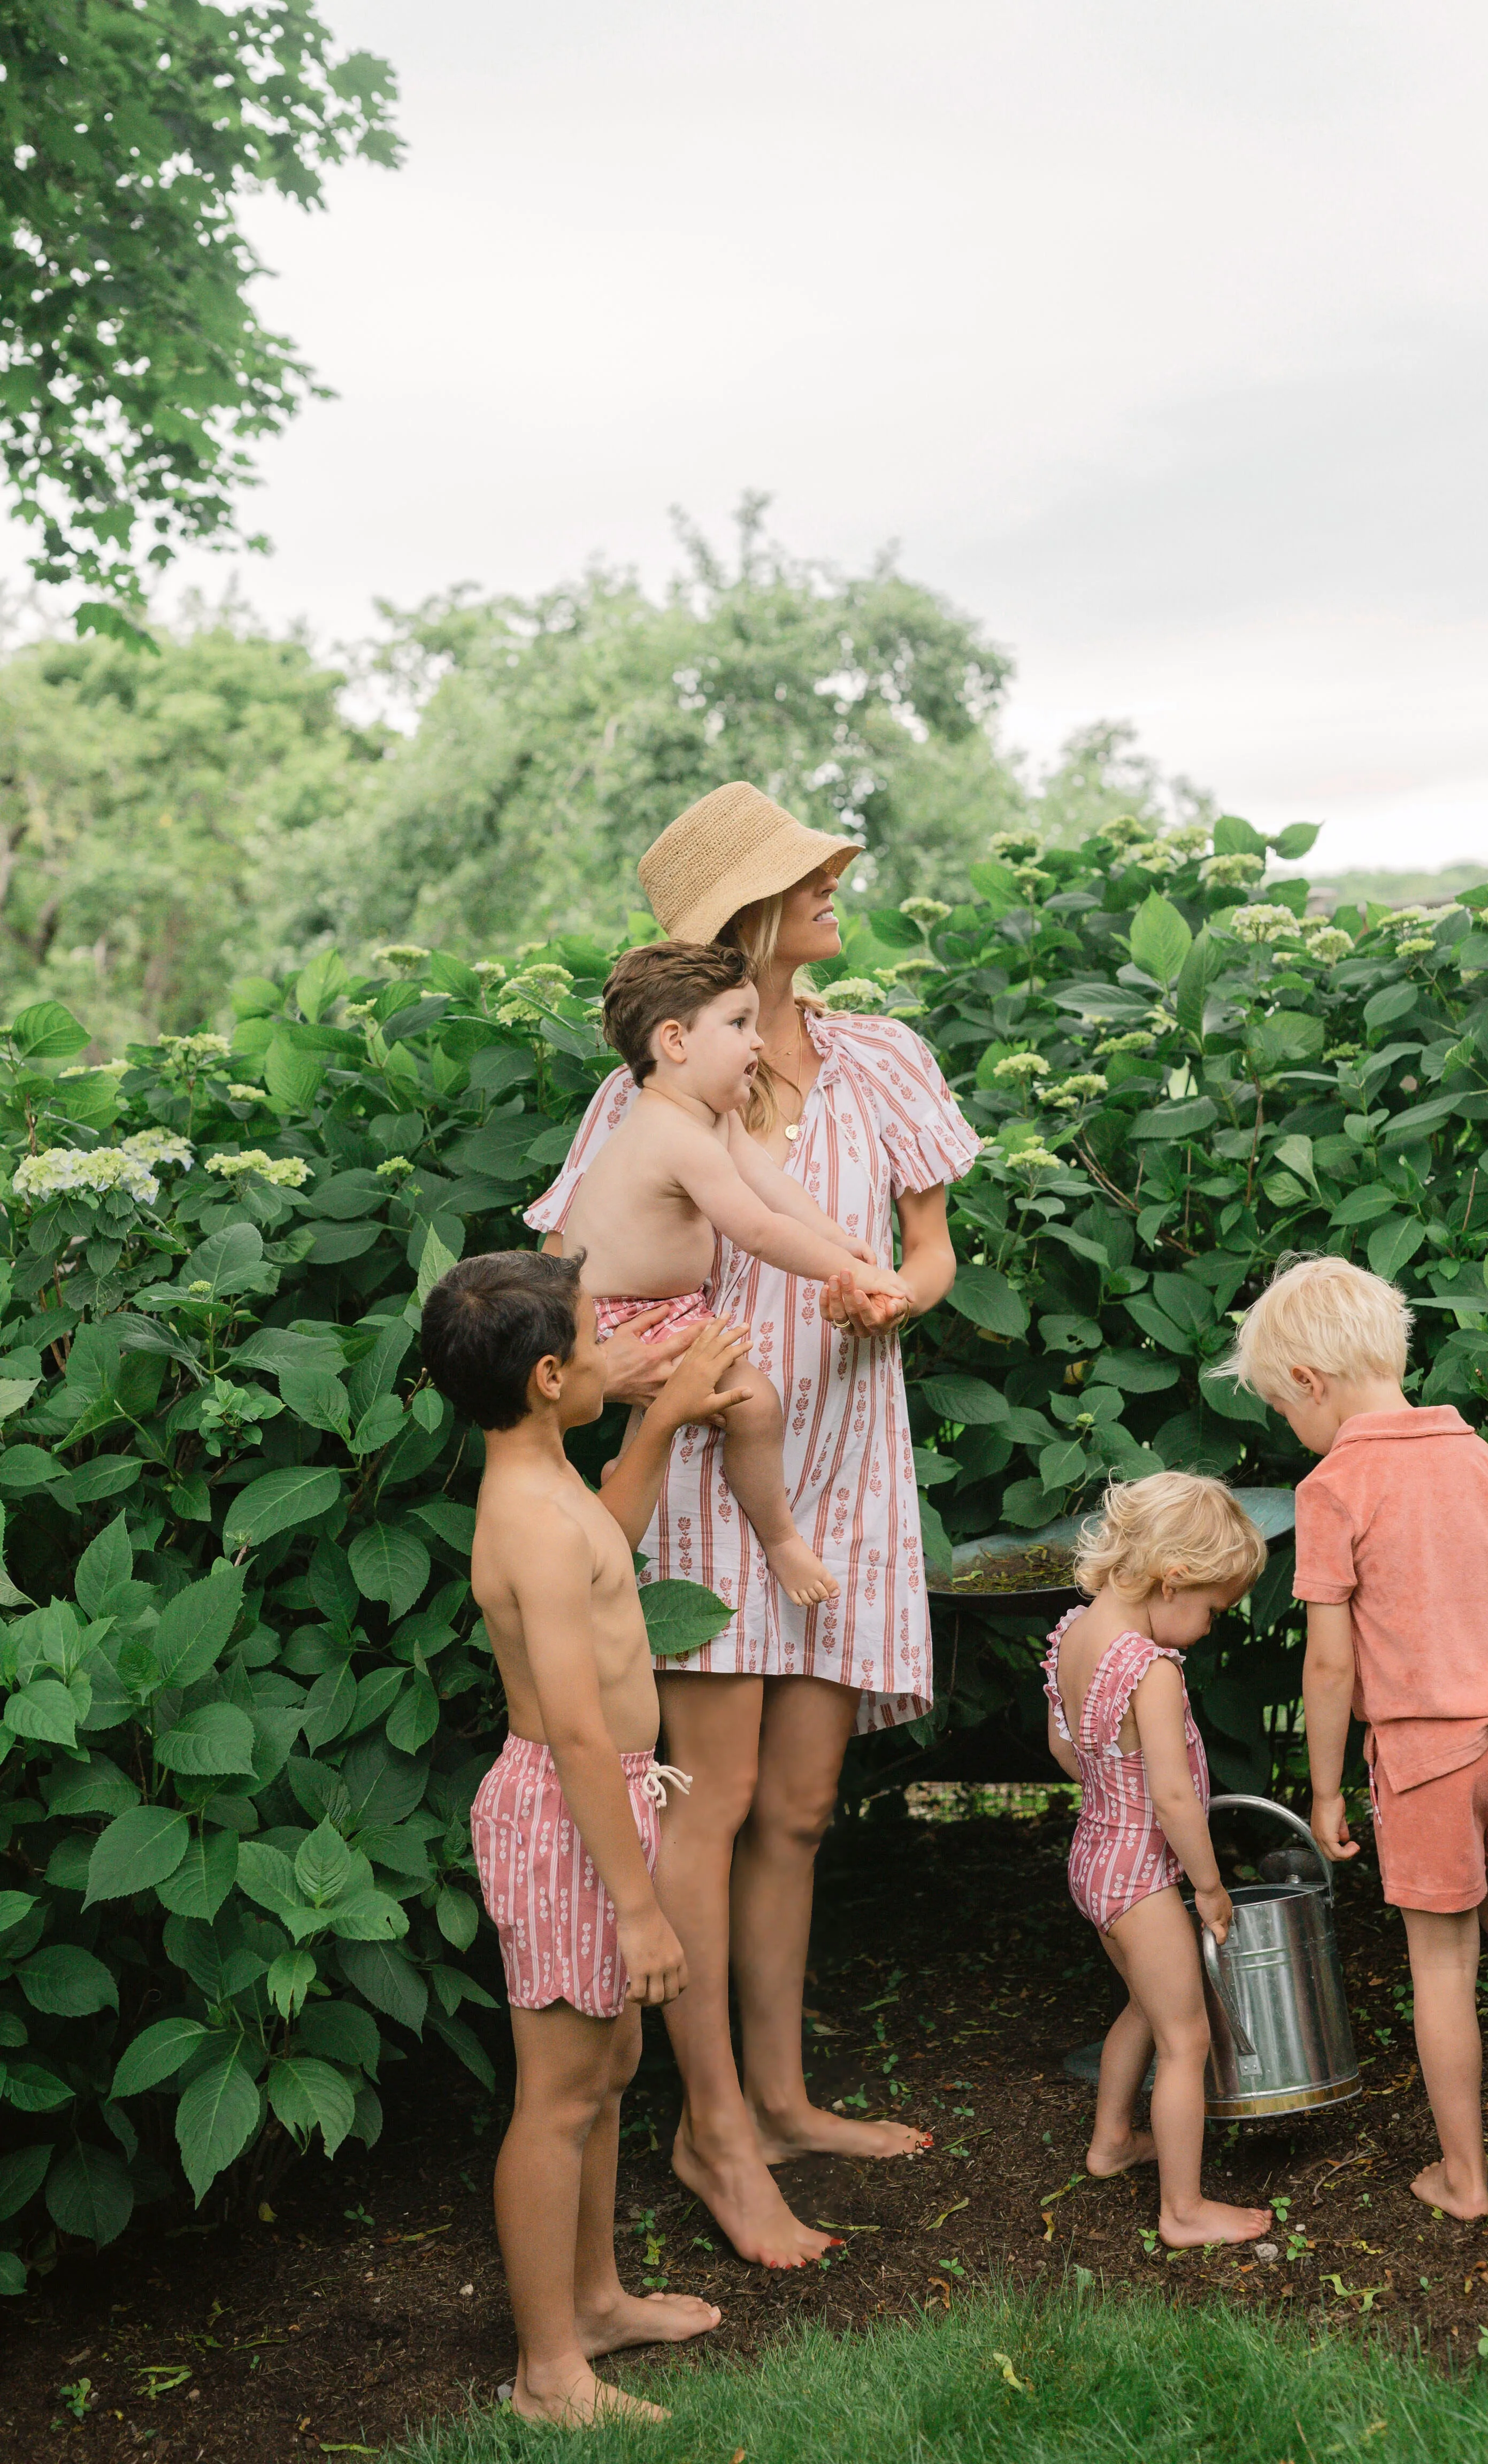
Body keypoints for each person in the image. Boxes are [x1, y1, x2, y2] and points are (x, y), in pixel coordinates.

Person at [526, 780, 978, 2269]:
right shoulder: (660, 1089)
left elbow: (930, 1243)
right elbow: (575, 1277)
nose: (841, 888)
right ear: (749, 925)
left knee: (795, 1809)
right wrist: (646, 1375)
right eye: (814, 879)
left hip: (841, 1454)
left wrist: (901, 1292)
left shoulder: (882, 1059)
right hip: (715, 1463)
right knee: (710, 1815)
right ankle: (711, 2129)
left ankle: (780, 2099)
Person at [420, 1249, 754, 2425]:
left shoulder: (550, 1480)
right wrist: (641, 1905)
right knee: (558, 2096)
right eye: (600, 1342)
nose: (622, 1352)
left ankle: (596, 2300)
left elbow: (612, 1551)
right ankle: (547, 2373)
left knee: (605, 2073)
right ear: (552, 1374)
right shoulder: (526, 1522)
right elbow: (569, 1727)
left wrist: (657, 1422)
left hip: (601, 1804)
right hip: (573, 1816)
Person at [1226, 1253, 1488, 2219]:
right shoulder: (1474, 1453)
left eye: (1281, 1406)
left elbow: (1329, 1666)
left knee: (1441, 1961)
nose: (1290, 1427)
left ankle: (1463, 2179)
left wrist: (1324, 1786)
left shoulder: (1333, 1487)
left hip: (1431, 1756)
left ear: (1308, 1382)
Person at [561, 938, 911, 1607]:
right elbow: (756, 1229)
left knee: (687, 1414)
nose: (757, 1043)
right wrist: (857, 1275)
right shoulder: (672, 1135)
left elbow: (773, 1188)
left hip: (660, 1309)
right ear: (675, 1041)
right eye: (737, 1024)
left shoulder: (707, 1119)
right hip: (627, 1317)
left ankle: (624, 1476)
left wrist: (845, 1240)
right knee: (756, 1404)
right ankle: (780, 1539)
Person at [1042, 1473, 1274, 2249]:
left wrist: (1114, 1790)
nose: (1209, 1627)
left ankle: (1113, 2142)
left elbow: (1063, 1746)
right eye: (1211, 1609)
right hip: (1141, 1874)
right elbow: (1175, 1803)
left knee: (1146, 2007)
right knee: (1187, 2038)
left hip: (1094, 1856)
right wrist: (1208, 1886)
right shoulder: (1153, 1669)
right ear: (1174, 1577)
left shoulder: (1074, 1634)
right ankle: (1184, 2211)